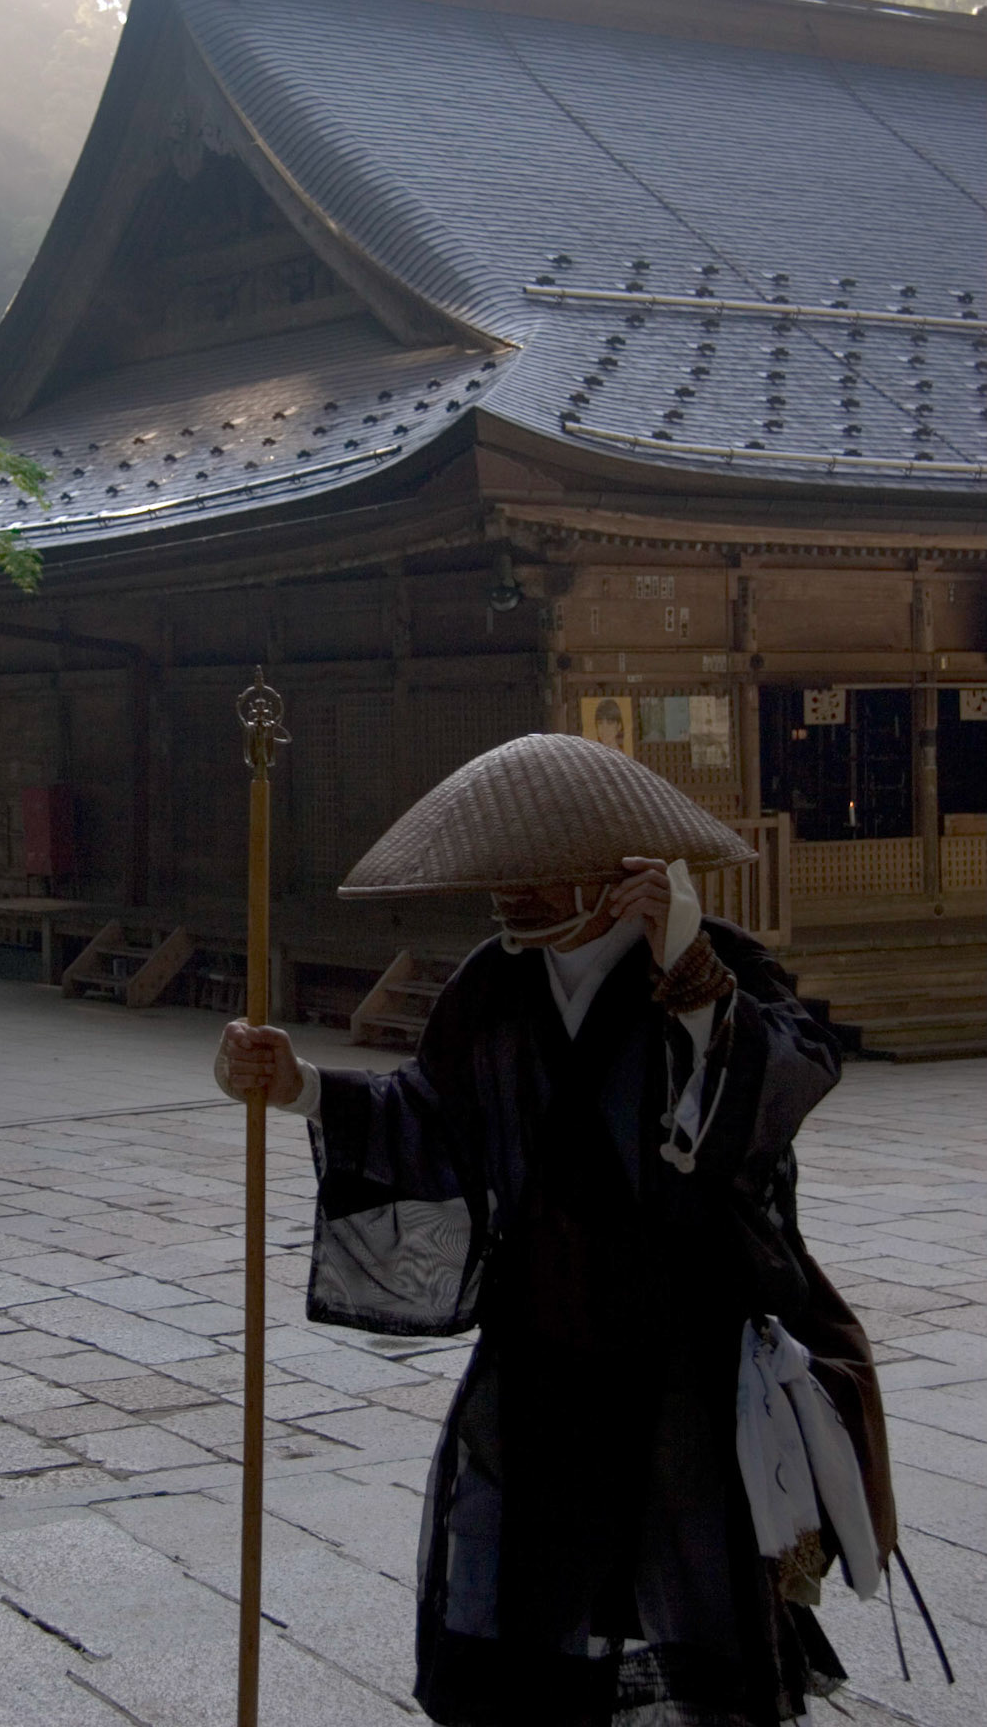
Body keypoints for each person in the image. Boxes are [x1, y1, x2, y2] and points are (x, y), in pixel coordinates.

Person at [216, 734, 893, 1727]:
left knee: (693, 1577)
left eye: (533, 870)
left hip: (681, 1345)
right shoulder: (492, 983)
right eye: (501, 872)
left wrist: (692, 972)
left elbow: (786, 1081)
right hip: (537, 1337)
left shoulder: (720, 962)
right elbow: (433, 1114)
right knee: (523, 1576)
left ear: (611, 867)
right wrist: (304, 1088)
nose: (510, 893)